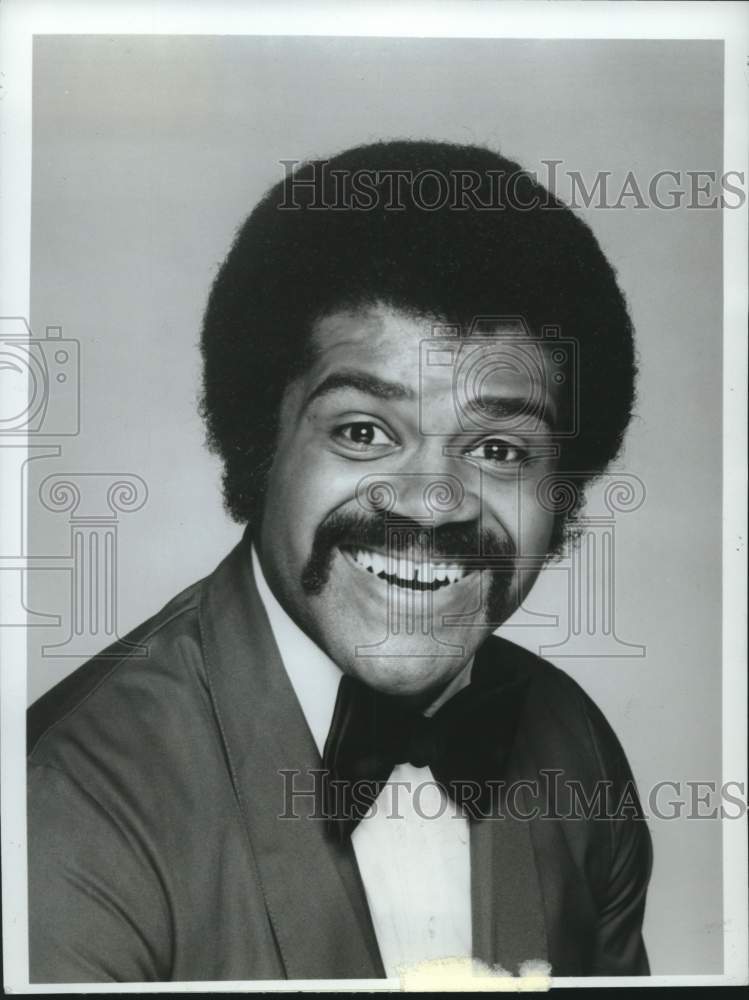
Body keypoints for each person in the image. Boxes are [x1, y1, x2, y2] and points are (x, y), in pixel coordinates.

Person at [27, 140, 652, 982]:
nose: (432, 503)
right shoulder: (60, 804)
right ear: (260, 445)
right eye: (363, 432)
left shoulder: (573, 745)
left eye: (499, 448)